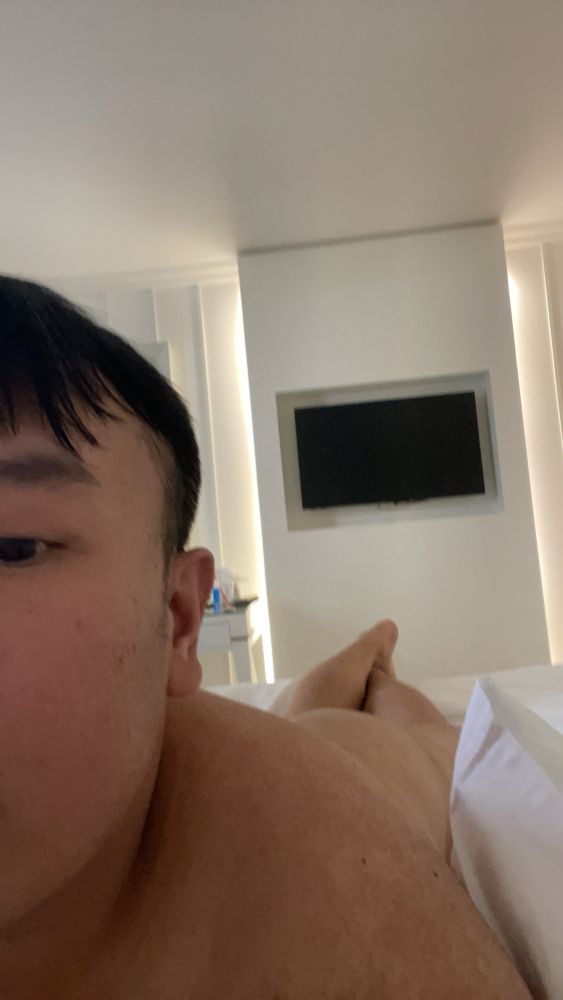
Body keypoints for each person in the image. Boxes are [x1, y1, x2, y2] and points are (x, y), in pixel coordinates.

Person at [0, 276, 531, 1000]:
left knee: (417, 736)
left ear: (179, 619)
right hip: (302, 744)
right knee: (309, 715)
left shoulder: (318, 874)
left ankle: (376, 654)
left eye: (12, 547)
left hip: (366, 772)